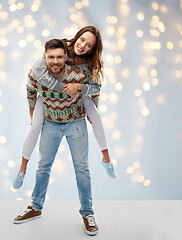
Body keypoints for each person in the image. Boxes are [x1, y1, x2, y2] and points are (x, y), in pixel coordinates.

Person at [12, 26, 117, 190]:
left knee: (96, 115)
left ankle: (106, 159)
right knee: (35, 127)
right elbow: (38, 72)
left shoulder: (89, 65)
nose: (83, 46)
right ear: (78, 36)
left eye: (89, 45)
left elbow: (96, 88)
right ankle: (22, 169)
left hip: (76, 100)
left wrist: (79, 88)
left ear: (92, 49)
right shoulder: (59, 49)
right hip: (47, 97)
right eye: (82, 39)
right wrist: (34, 108)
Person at [13, 39, 98, 236]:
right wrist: (32, 112)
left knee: (82, 169)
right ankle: (35, 206)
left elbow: (95, 88)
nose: (56, 61)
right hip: (50, 124)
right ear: (45, 58)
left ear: (66, 57)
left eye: (60, 57)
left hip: (75, 124)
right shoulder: (37, 73)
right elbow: (30, 91)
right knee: (43, 166)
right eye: (51, 57)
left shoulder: (79, 73)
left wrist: (89, 100)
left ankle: (88, 213)